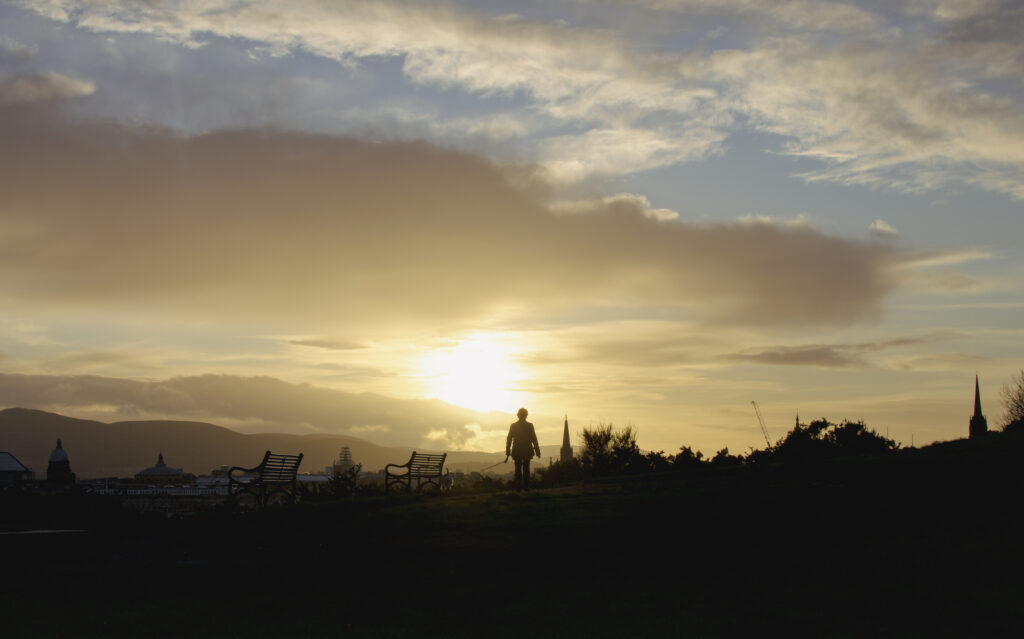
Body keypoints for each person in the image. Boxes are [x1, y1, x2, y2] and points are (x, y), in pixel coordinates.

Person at [506, 408, 541, 490]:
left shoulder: (513, 426)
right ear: (526, 415)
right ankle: (526, 486)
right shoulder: (529, 426)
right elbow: (534, 439)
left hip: (517, 450)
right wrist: (537, 451)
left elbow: (509, 439)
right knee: (526, 468)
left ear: (518, 415)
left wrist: (508, 450)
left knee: (518, 468)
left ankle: (519, 486)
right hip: (527, 450)